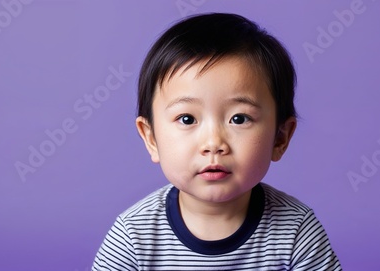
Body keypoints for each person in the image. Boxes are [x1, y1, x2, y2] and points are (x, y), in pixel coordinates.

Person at [92, 13, 342, 270]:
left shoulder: (296, 232)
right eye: (187, 119)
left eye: (239, 118)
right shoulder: (133, 237)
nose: (213, 143)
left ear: (280, 137)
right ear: (151, 138)